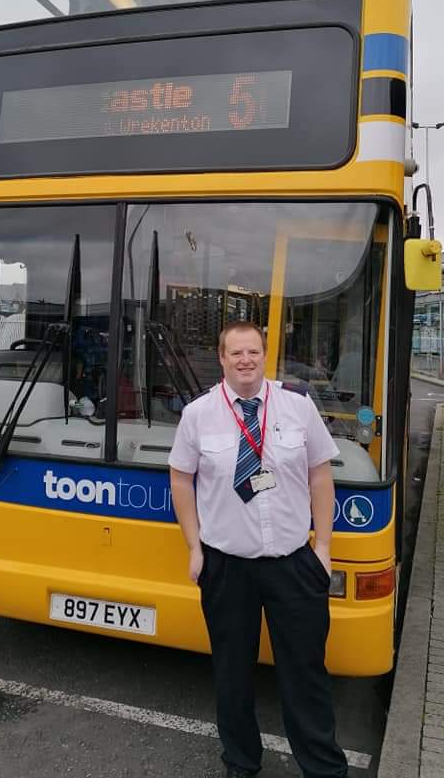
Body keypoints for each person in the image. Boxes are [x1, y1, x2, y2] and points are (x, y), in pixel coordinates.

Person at [169, 321, 347, 778]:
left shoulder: (298, 406)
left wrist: (322, 547)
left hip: (293, 564)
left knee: (305, 674)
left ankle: (324, 768)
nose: (245, 360)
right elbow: (180, 479)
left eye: (252, 352)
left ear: (264, 355)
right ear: (221, 358)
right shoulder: (198, 414)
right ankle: (241, 763)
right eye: (236, 353)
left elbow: (320, 476)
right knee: (232, 674)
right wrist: (194, 547)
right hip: (227, 566)